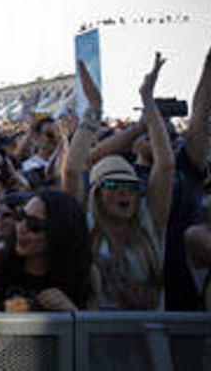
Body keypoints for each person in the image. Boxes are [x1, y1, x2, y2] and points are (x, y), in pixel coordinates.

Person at [64, 55, 175, 310]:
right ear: (96, 193)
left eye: (132, 187)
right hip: (98, 340)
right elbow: (72, 170)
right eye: (113, 186)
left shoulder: (150, 222)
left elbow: (166, 165)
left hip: (149, 340)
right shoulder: (85, 223)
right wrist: (94, 110)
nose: (125, 192)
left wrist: (148, 102)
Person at [0, 190, 95, 311]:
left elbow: (92, 326)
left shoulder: (87, 274)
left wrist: (71, 312)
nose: (21, 228)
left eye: (34, 226)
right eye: (20, 216)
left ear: (59, 233)